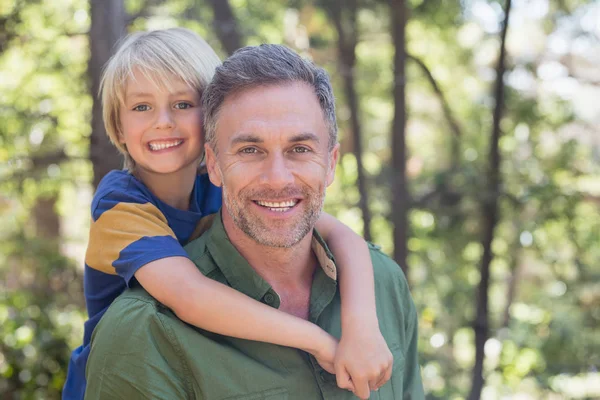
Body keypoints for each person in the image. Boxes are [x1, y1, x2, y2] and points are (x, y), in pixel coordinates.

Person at [63, 29, 392, 400]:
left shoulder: (220, 180)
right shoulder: (119, 203)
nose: (163, 122)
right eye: (141, 107)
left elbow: (340, 235)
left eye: (183, 104)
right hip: (125, 374)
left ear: (212, 118)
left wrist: (362, 326)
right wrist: (318, 341)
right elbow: (189, 295)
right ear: (119, 126)